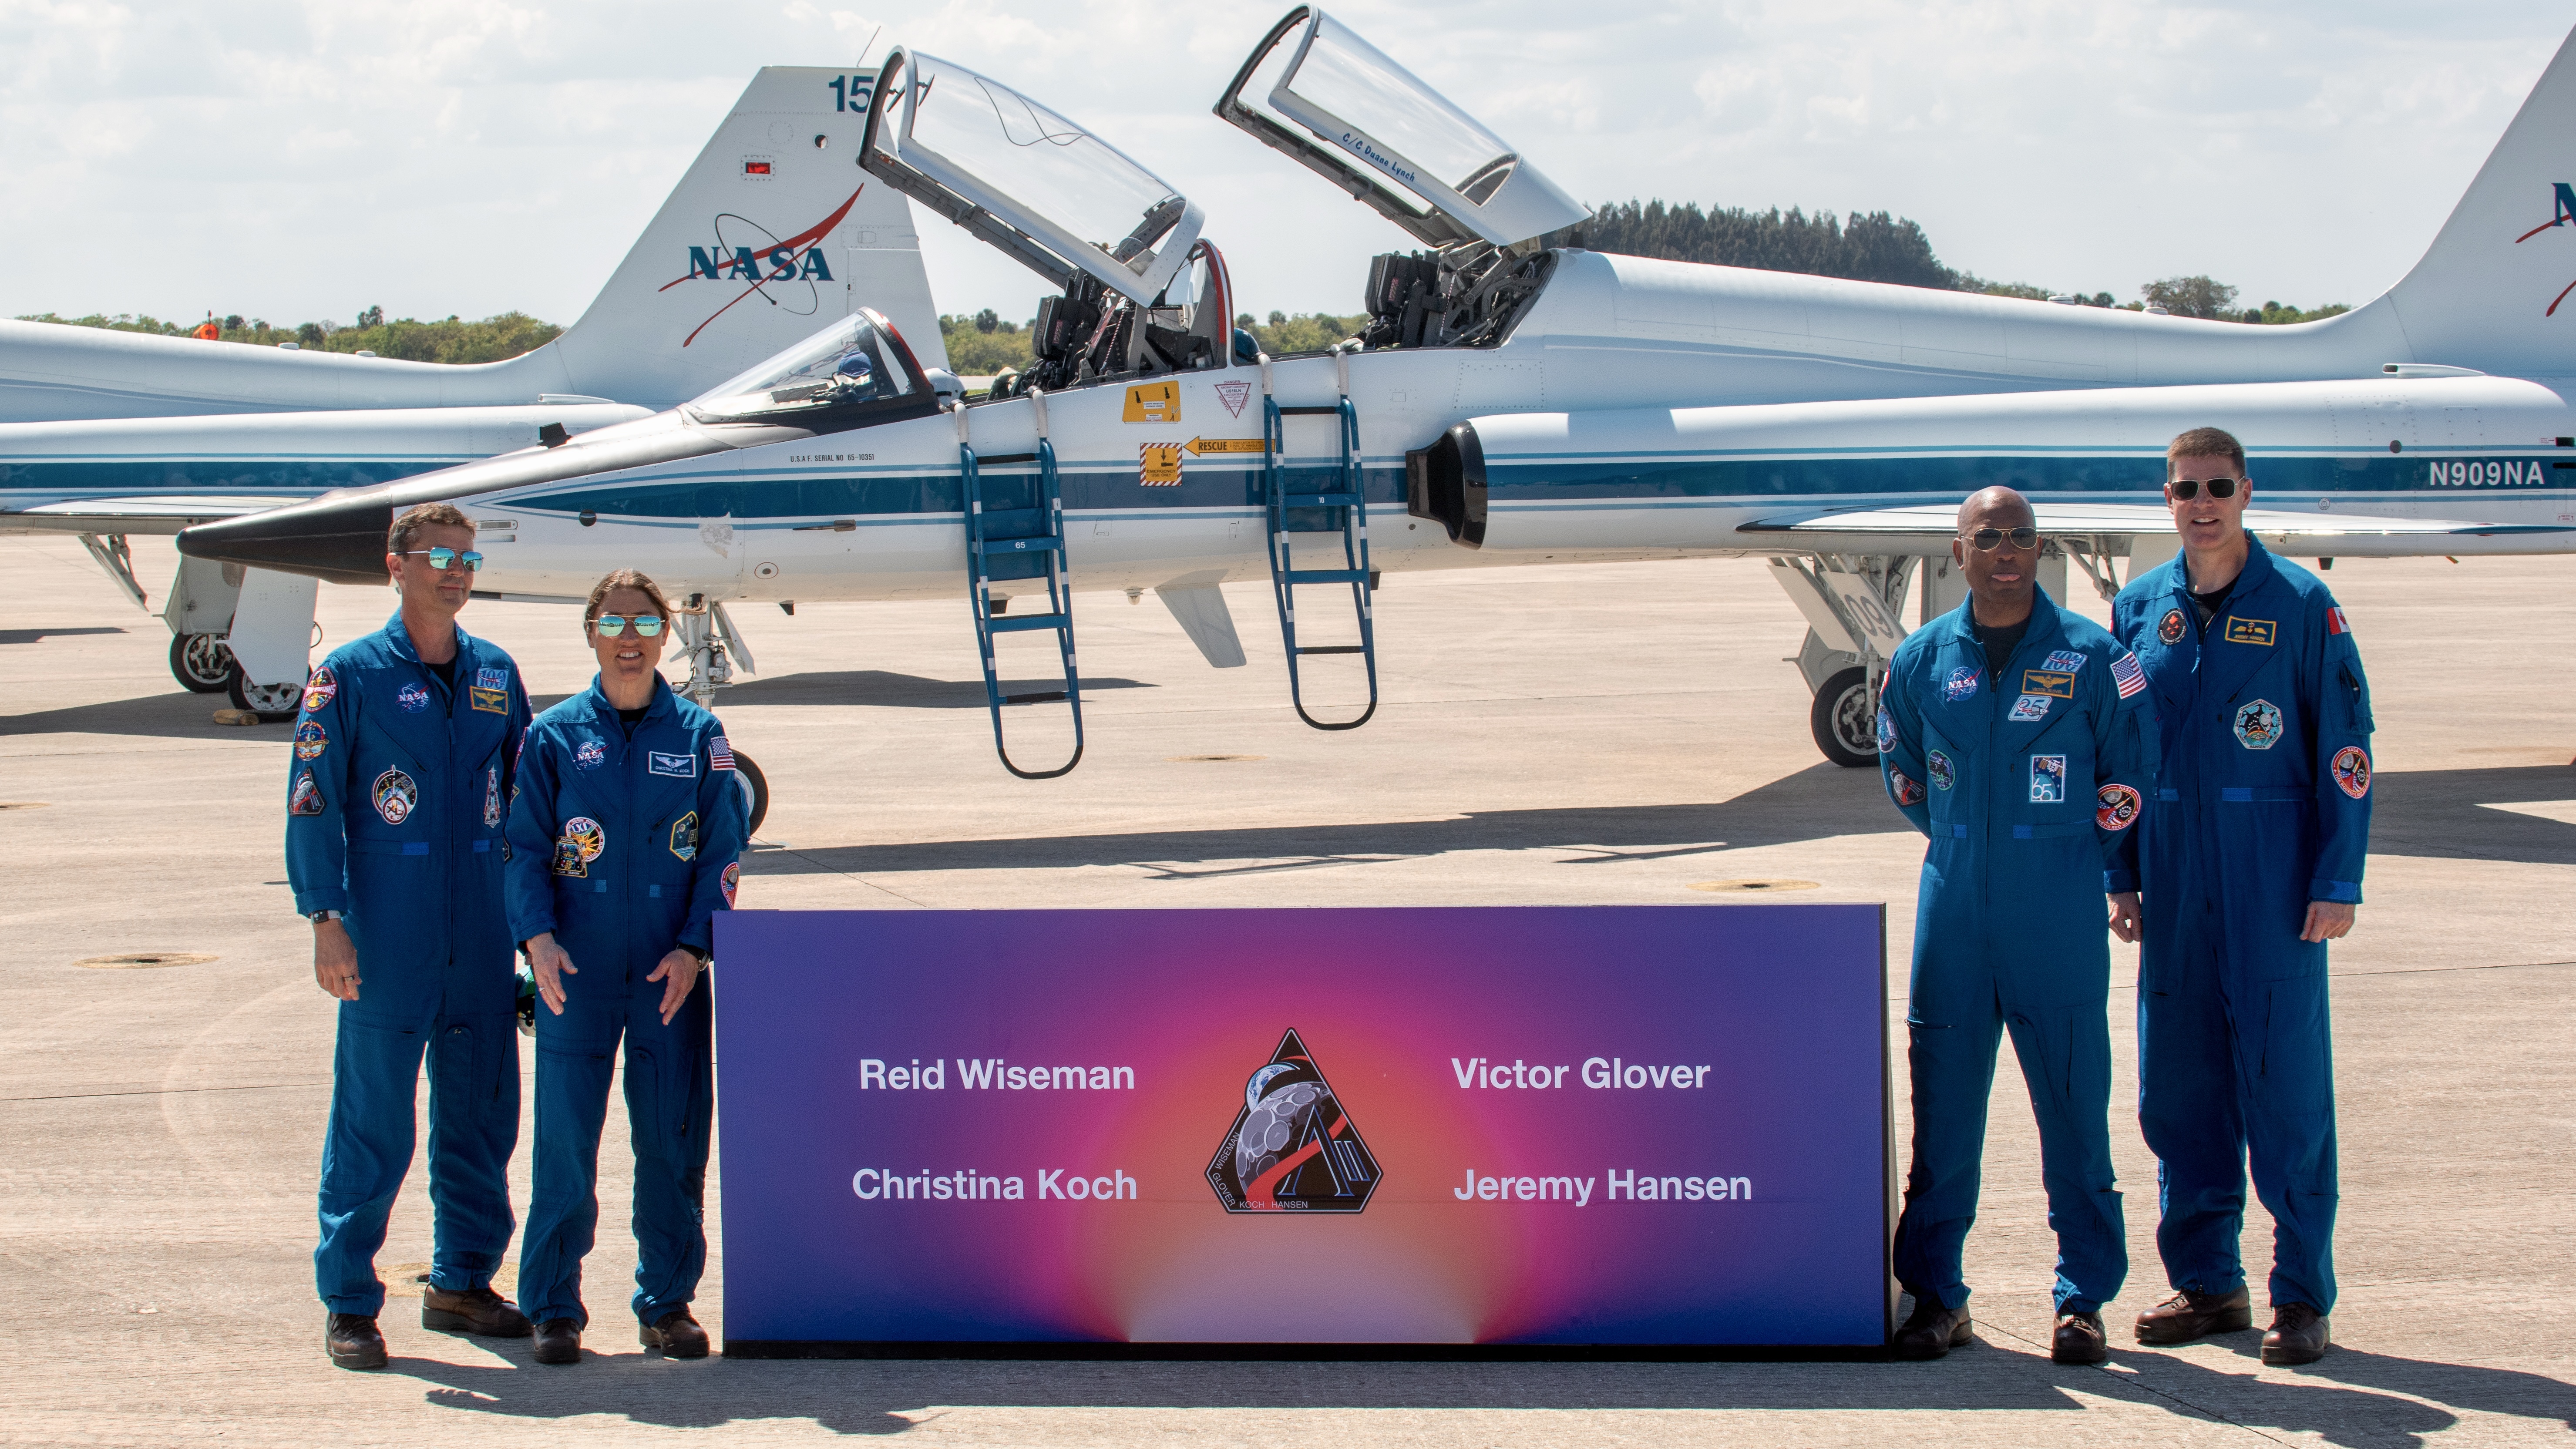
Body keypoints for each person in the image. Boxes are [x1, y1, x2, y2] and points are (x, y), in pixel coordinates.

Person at [1877, 485, 2158, 1364]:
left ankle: (2082, 1301)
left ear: (2039, 551)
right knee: (1944, 1122)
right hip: (1953, 920)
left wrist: (2060, 854)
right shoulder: (1919, 660)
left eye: (2022, 537)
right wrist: (1973, 848)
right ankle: (1936, 1296)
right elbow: (1907, 779)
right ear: (1956, 552)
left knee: (2075, 1117)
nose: (2006, 550)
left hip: (2056, 922)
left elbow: (2130, 778)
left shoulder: (2099, 659)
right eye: (1988, 537)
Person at [2112, 427, 2371, 1366]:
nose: (2202, 502)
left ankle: (2300, 1295)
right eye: (2186, 488)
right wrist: (2122, 872)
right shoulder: (2137, 612)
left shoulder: (2303, 606)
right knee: (2177, 1088)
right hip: (2173, 874)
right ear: (2167, 499)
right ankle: (2208, 1281)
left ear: (2246, 492)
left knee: (2285, 1089)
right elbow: (2120, 753)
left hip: (2272, 873)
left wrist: (2337, 878)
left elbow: (2346, 752)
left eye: (2218, 486)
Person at [288, 501, 535, 1370]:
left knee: (479, 1118)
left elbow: (531, 811)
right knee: (373, 1124)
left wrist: (532, 934)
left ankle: (462, 1282)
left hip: (480, 931)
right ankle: (351, 1302)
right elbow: (312, 803)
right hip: (386, 932)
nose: (455, 571)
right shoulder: (348, 677)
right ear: (394, 565)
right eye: (438, 555)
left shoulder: (496, 674)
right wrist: (326, 919)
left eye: (466, 557)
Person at [506, 569, 748, 1366]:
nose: (630, 637)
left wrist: (695, 946)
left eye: (646, 622)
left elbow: (721, 849)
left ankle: (666, 1301)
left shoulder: (699, 735)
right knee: (565, 1144)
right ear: (591, 633)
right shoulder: (553, 734)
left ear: (665, 633)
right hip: (574, 970)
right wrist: (536, 938)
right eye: (614, 623)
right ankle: (552, 1306)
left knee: (672, 1141)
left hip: (667, 974)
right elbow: (523, 848)